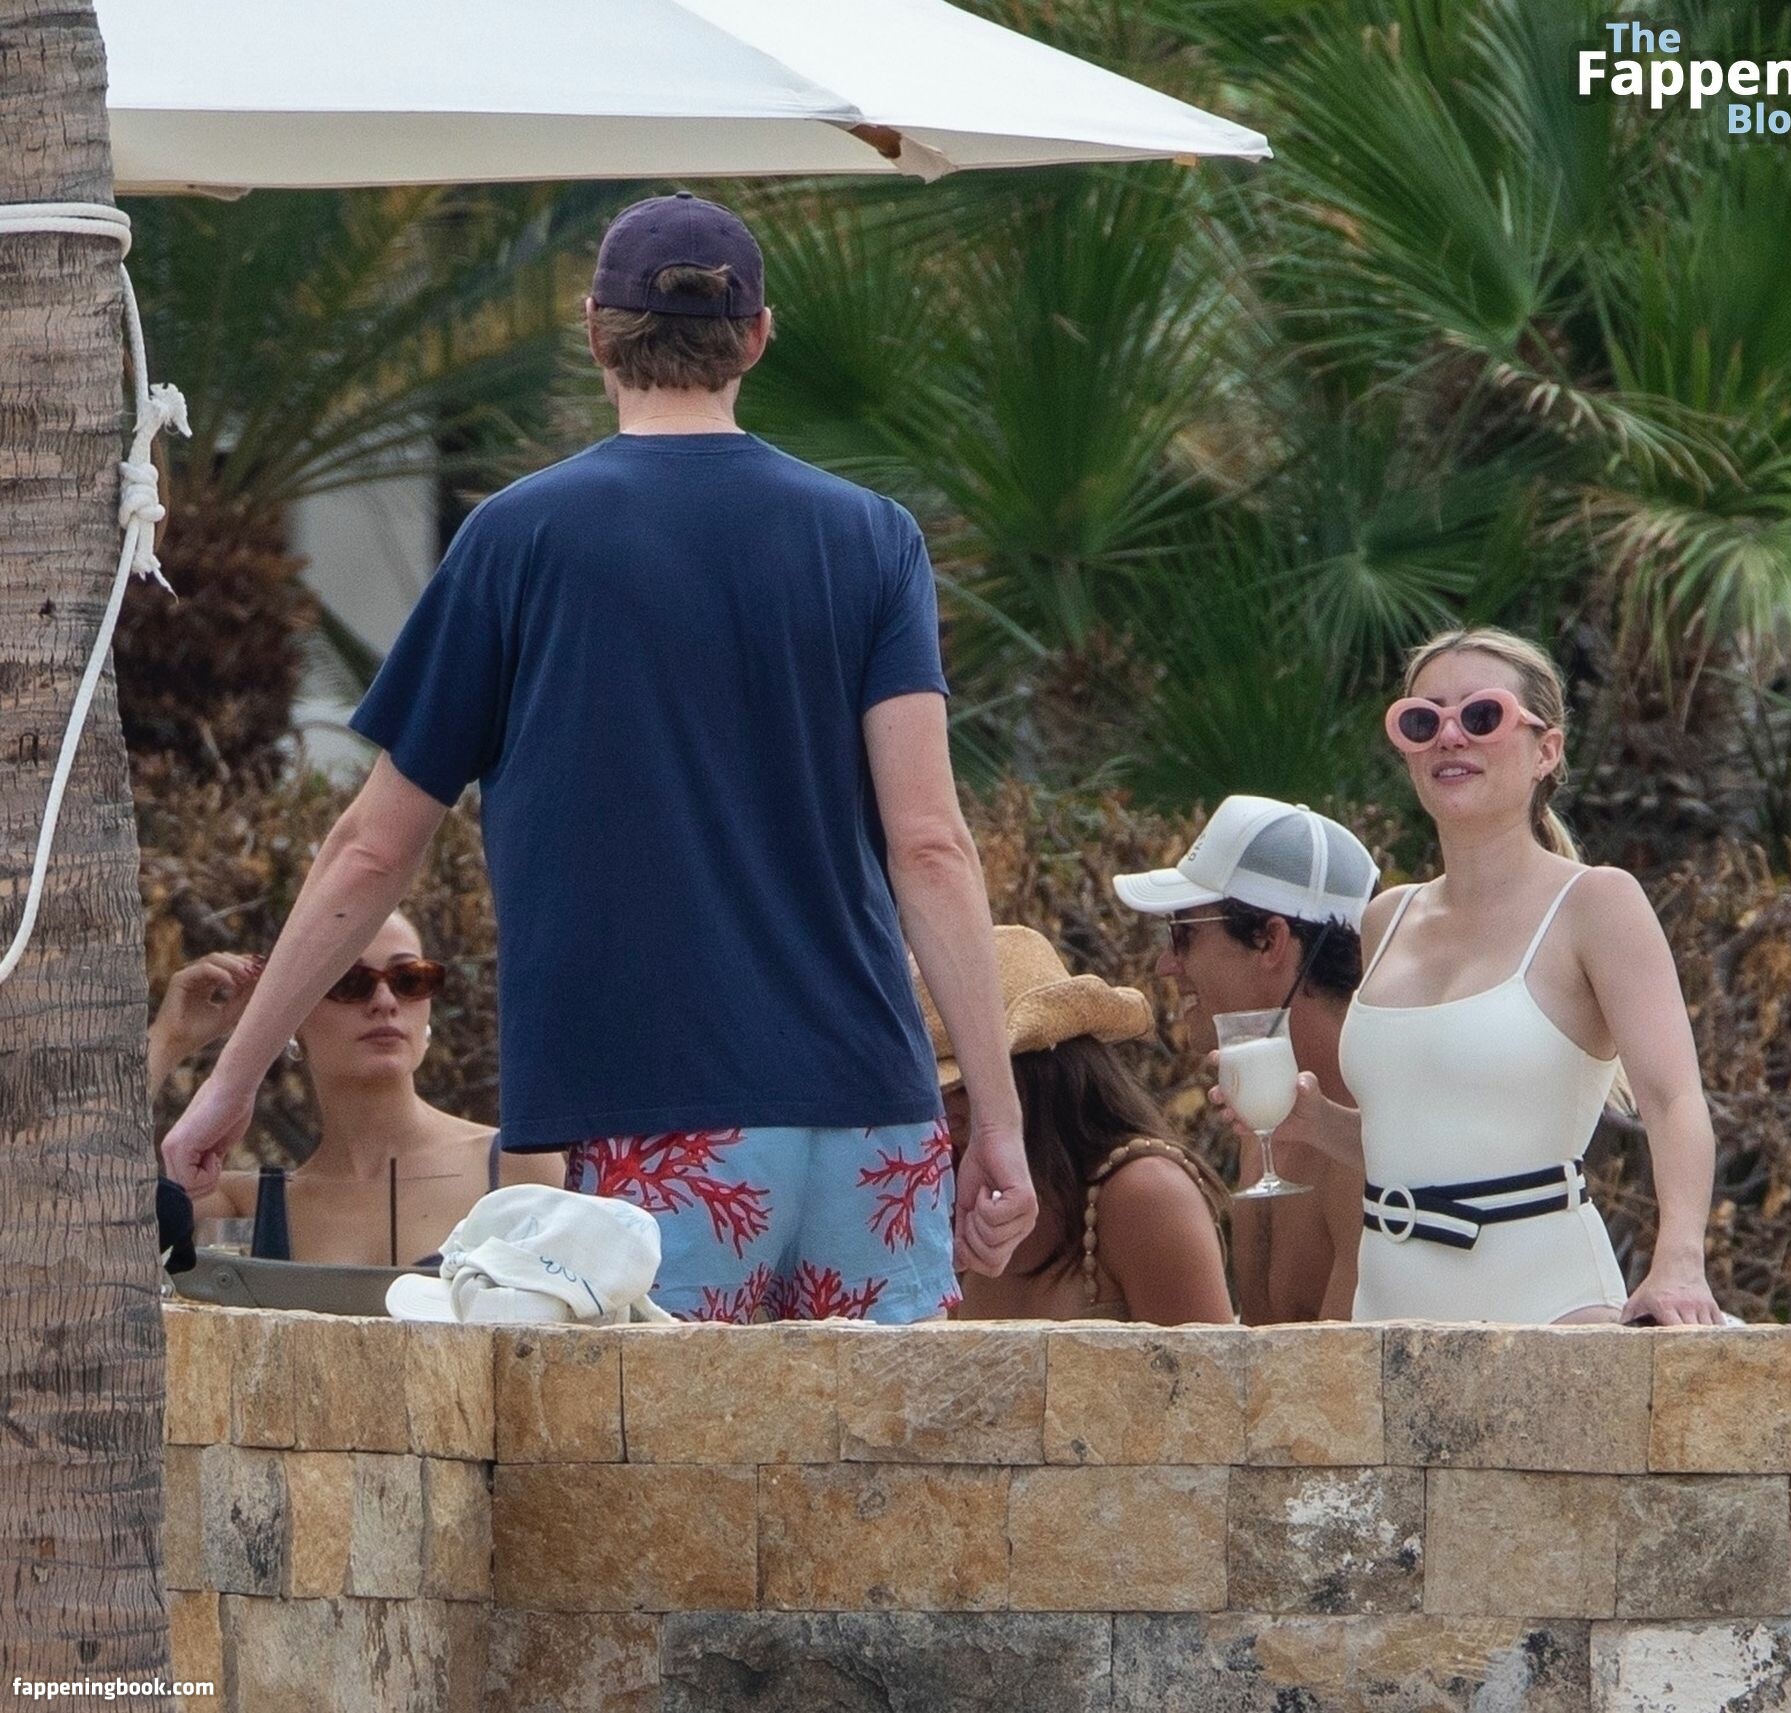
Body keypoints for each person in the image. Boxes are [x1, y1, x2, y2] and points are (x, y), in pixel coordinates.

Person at [161, 193, 1034, 1322]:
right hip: (872, 1110)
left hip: (653, 1115)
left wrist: (232, 1082)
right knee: (881, 1444)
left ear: (595, 333)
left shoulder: (517, 539)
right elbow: (930, 846)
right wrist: (996, 1118)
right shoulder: (873, 539)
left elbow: (372, 849)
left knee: (666, 1442)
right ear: (757, 336)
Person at [1230, 627, 1722, 1326]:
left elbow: (1673, 1100)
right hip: (1388, 1310)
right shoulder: (1386, 917)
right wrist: (1314, 1123)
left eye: (1482, 715)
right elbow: (1428, 1139)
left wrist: (1679, 1263)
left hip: (1551, 1303)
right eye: (1422, 721)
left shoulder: (1596, 904)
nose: (1450, 737)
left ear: (1546, 750)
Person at [151, 913, 563, 1266]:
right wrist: (168, 1041)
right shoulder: (242, 1205)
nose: (385, 1001)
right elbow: (110, 1214)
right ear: (291, 1016)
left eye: (410, 979)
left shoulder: (517, 1168)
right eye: (349, 983)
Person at [1114, 797, 1376, 1322]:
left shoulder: (1371, 1127)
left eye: (1183, 933)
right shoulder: (1267, 1113)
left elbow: (1348, 1366)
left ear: (1270, 941)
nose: (1166, 964)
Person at [922, 926, 1232, 1325]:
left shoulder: (1145, 1192)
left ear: (1048, 1074)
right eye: (933, 1094)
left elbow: (1204, 1363)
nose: (945, 1113)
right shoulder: (954, 1201)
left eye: (964, 1088)